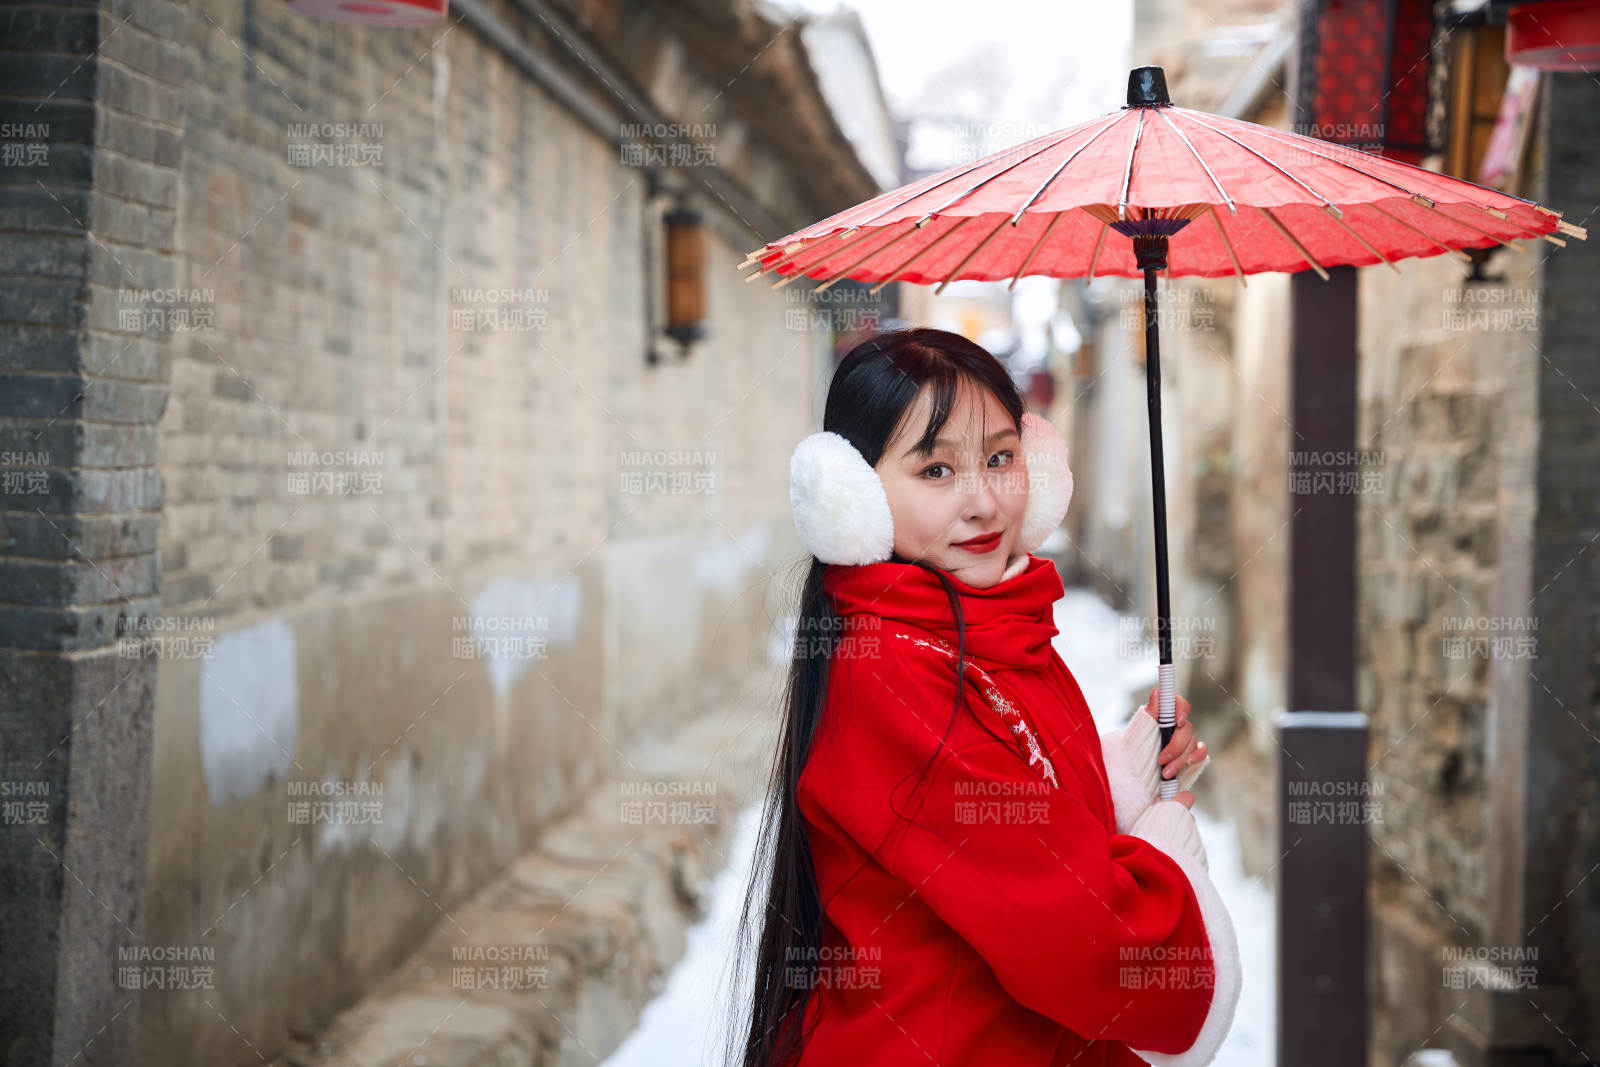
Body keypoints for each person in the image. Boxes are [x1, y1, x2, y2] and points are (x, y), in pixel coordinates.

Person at [726, 327, 1240, 1067]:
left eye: (1001, 458)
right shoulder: (891, 671)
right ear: (855, 495)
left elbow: (1008, 812)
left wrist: (1115, 781)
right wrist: (1164, 866)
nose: (984, 502)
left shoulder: (1004, 626)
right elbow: (1079, 933)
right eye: (936, 470)